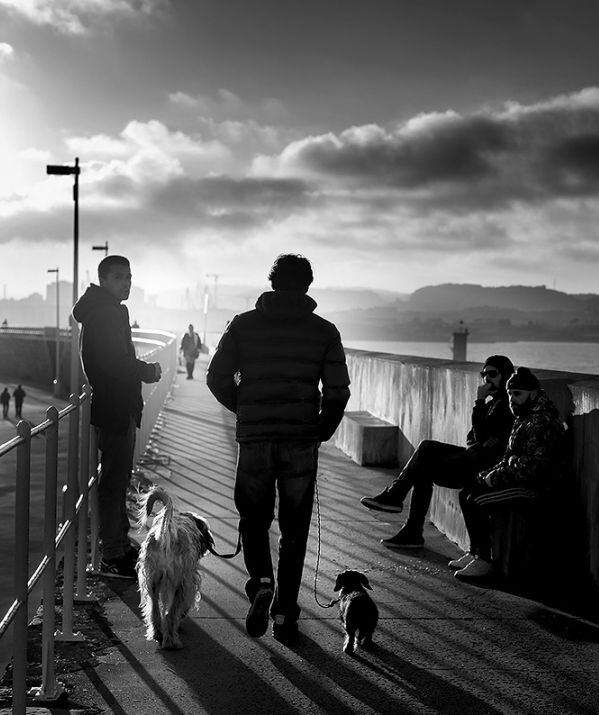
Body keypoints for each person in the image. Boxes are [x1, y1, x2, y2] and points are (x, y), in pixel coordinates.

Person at [207, 253, 350, 642]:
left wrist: (246, 410)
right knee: (295, 527)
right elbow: (337, 391)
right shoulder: (325, 331)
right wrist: (322, 429)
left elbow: (216, 376)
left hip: (255, 439)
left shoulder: (242, 325)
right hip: (300, 440)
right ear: (307, 286)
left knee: (254, 517)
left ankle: (261, 581)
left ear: (271, 283)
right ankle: (285, 612)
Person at [360, 355, 516, 549]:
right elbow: (473, 438)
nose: (487, 379)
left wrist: (479, 403)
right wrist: (479, 431)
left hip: (483, 469)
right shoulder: (493, 403)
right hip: (474, 459)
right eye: (484, 375)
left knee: (424, 465)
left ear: (506, 376)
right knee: (427, 448)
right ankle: (402, 511)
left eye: (492, 374)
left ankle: (405, 517)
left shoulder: (508, 405)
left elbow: (483, 440)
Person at [72, 254, 163, 579]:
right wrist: (148, 371)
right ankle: (112, 551)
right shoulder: (105, 314)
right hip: (114, 405)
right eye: (119, 277)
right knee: (113, 480)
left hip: (114, 403)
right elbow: (114, 362)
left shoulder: (104, 311)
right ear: (105, 280)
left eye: (129, 276)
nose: (127, 282)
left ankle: (118, 543)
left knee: (118, 476)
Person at [452, 367, 565, 580]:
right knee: (467, 492)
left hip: (535, 488)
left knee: (477, 500)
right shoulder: (524, 417)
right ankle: (476, 552)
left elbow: (532, 470)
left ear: (533, 393)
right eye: (510, 394)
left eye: (518, 394)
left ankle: (484, 561)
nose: (512, 399)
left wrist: (496, 478)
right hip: (518, 480)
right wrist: (488, 474)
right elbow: (509, 459)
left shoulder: (542, 422)